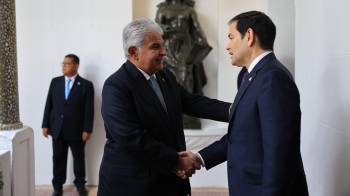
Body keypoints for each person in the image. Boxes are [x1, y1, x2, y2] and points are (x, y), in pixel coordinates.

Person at [179, 11, 309, 196]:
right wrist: (200, 157)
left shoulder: (273, 78)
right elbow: (242, 134)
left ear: (249, 36)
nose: (227, 45)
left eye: (231, 37)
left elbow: (280, 152)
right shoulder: (248, 76)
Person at [97, 18, 230, 196]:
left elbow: (193, 103)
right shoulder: (116, 86)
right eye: (156, 47)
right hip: (133, 185)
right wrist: (176, 161)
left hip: (168, 181)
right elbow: (131, 137)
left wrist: (237, 109)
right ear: (133, 52)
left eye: (163, 45)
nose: (164, 52)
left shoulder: (165, 76)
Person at [42, 54, 94, 196]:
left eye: (67, 63)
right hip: (57, 128)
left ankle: (80, 185)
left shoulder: (86, 85)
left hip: (77, 130)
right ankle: (57, 186)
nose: (64, 66)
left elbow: (89, 109)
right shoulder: (55, 82)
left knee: (79, 159)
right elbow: (49, 104)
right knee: (58, 158)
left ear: (76, 65)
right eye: (63, 63)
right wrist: (45, 124)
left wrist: (87, 129)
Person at [155, 0, 212, 129]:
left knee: (186, 80)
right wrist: (166, 29)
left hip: (185, 48)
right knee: (167, 82)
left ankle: (188, 117)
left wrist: (196, 53)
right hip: (168, 49)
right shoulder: (162, 10)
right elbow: (155, 29)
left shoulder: (189, 11)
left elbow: (198, 32)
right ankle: (169, 115)